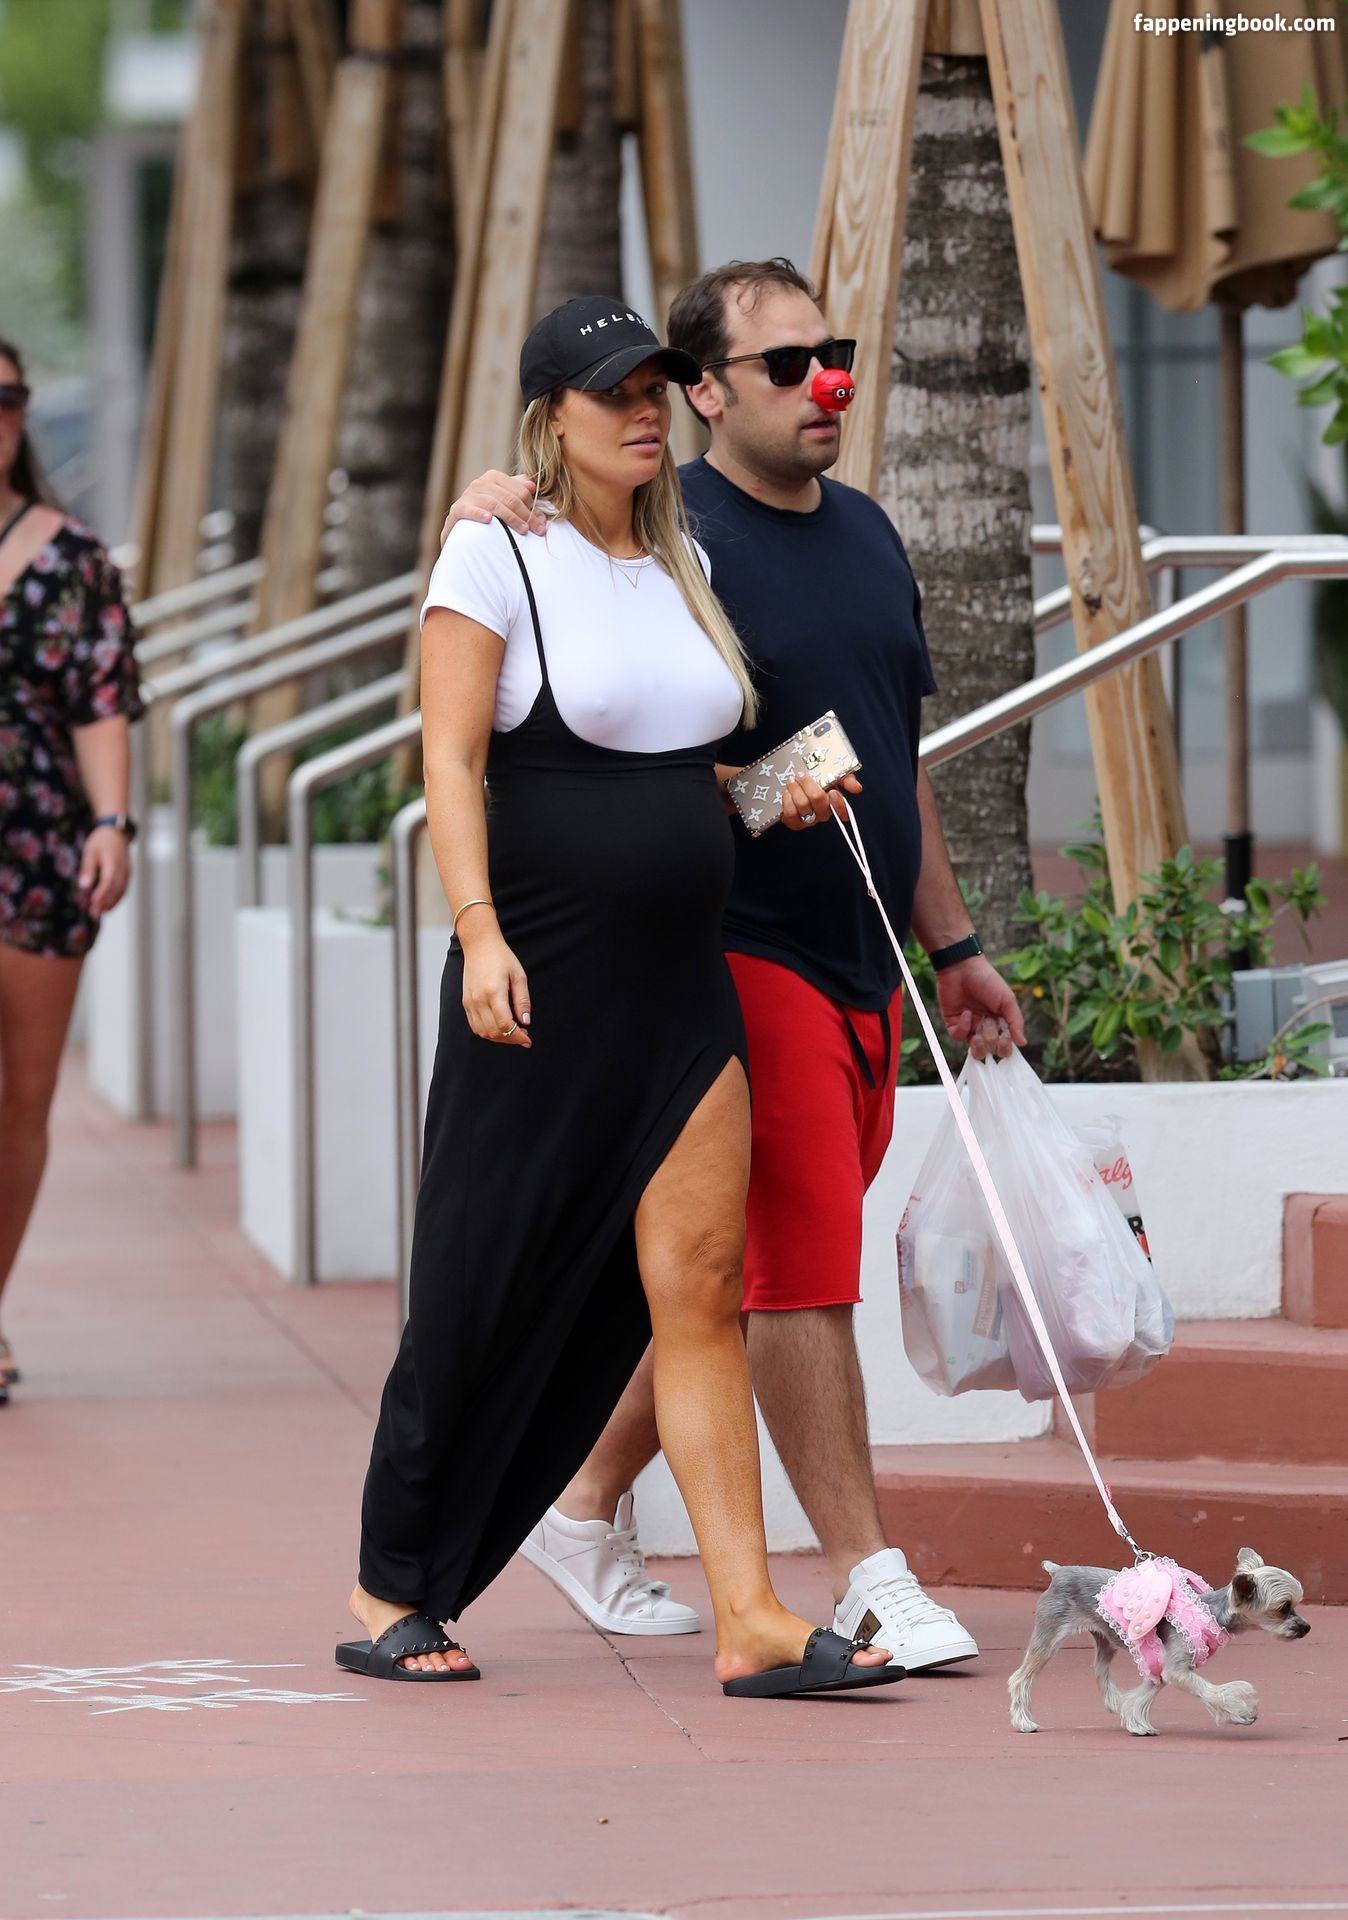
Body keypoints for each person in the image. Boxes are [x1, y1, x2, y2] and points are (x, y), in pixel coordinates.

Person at [444, 260, 1027, 1670]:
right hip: (736, 952)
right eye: (782, 364)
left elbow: (896, 761)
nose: (825, 381)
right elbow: (624, 757)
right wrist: (485, 497)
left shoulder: (869, 530)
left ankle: (580, 1506)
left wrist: (952, 945)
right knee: (799, 1270)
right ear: (705, 393)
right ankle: (866, 1575)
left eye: (834, 351)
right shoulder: (660, 535)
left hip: (865, 957)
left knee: (733, 1274)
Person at [340, 297, 902, 1700]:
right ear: (553, 416)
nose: (645, 411)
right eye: (615, 393)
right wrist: (476, 933)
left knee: (697, 1295)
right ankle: (393, 1583)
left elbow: (673, 770)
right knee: (476, 1287)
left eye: (656, 387)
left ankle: (749, 1615)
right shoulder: (494, 551)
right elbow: (452, 762)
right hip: (539, 982)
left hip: (679, 992)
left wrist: (773, 790)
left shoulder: (681, 559)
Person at [0, 338, 143, 1406]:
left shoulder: (76, 558)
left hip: (39, 847)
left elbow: (102, 701)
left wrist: (112, 823)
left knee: (22, 1100)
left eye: (7, 397)